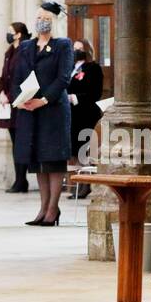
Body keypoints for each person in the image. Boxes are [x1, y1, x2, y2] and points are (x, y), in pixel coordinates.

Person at [11, 0, 73, 226]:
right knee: (38, 160)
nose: (41, 22)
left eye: (46, 19)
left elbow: (63, 78)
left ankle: (53, 209)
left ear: (54, 22)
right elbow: (17, 75)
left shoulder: (63, 45)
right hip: (30, 110)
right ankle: (42, 208)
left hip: (53, 110)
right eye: (39, 18)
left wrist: (44, 100)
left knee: (53, 160)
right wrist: (20, 98)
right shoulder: (27, 46)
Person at [67, 38, 104, 198]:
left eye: (79, 48)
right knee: (74, 151)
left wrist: (75, 97)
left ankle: (85, 184)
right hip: (71, 115)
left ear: (87, 50)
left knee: (83, 150)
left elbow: (95, 92)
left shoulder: (93, 68)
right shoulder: (71, 68)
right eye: (74, 48)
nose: (76, 51)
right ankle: (76, 184)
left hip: (86, 113)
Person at [0, 22, 31, 193]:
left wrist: (11, 96)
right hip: (8, 103)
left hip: (20, 102)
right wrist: (2, 92)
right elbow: (5, 76)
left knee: (21, 143)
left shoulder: (24, 51)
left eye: (11, 32)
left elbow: (22, 77)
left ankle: (21, 180)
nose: (8, 35)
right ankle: (19, 179)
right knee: (14, 141)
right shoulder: (9, 52)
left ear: (18, 34)